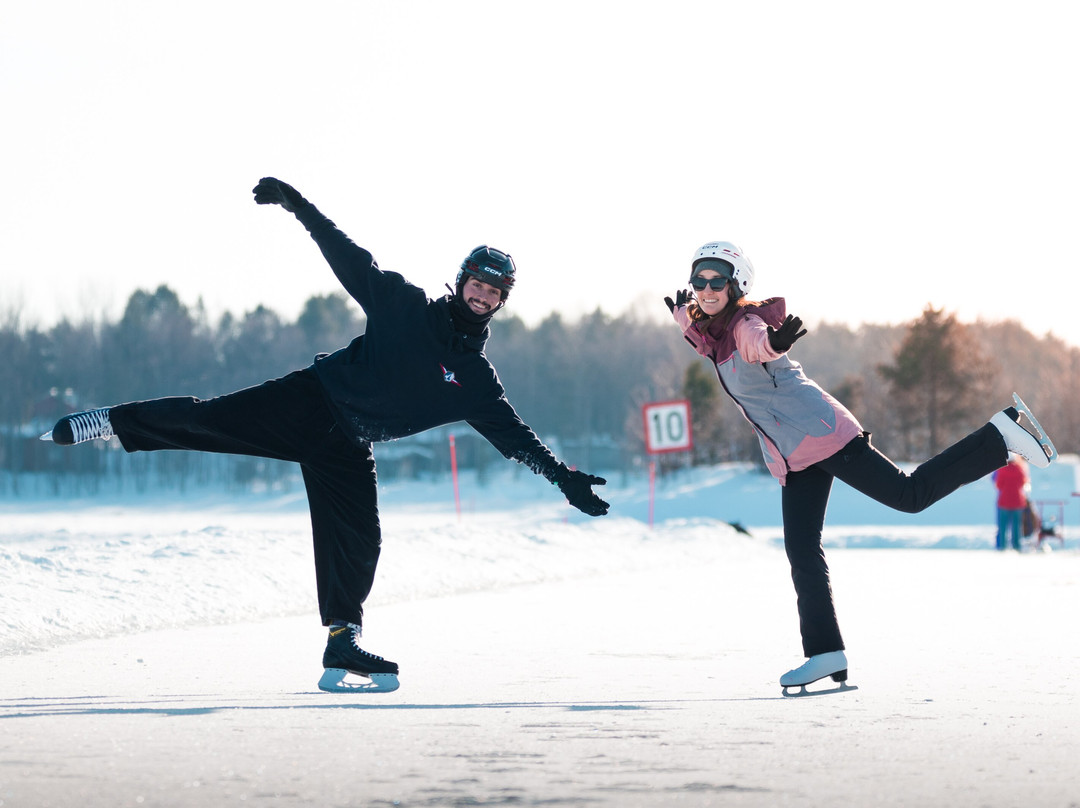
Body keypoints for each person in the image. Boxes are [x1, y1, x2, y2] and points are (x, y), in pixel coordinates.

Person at [43, 177, 610, 694]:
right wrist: (299, 207)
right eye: (477, 284)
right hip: (310, 402)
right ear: (460, 281)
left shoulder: (476, 382)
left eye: (495, 292)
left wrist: (566, 480)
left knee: (361, 539)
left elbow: (516, 438)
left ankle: (343, 638)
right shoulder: (405, 306)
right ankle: (110, 422)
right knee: (209, 421)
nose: (483, 296)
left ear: (502, 302)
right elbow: (348, 258)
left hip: (347, 444)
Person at [664, 241, 1057, 692]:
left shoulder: (746, 325)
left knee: (909, 496)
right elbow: (707, 344)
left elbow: (757, 345)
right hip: (796, 455)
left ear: (738, 284)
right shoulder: (713, 331)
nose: (707, 289)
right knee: (802, 551)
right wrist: (683, 319)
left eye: (717, 280)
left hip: (820, 434)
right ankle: (825, 652)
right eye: (700, 281)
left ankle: (1000, 437)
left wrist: (775, 342)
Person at [993, 458, 1030, 551]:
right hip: (1017, 501)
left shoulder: (1001, 469)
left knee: (1002, 527)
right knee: (1017, 526)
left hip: (1004, 501)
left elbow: (998, 485)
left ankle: (1002, 547)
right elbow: (1024, 483)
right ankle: (1017, 546)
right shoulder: (1020, 468)